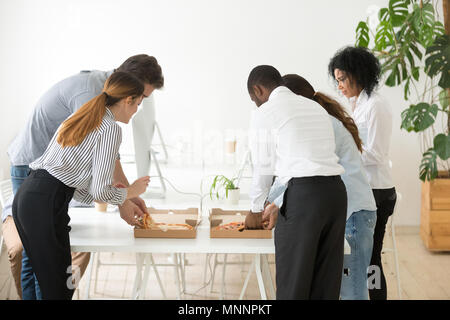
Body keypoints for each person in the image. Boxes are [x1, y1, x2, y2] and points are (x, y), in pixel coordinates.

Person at [4, 54, 164, 299]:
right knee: (59, 290)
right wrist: (131, 191)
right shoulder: (110, 129)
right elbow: (100, 192)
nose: (136, 112)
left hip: (29, 197)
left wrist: (123, 197)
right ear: (128, 100)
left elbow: (73, 182)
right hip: (45, 204)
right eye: (137, 105)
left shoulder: (82, 116)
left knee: (54, 284)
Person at [263, 74, 378, 300]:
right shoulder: (322, 118)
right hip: (347, 209)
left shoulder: (318, 122)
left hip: (354, 214)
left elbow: (296, 169)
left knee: (352, 291)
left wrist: (267, 202)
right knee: (336, 288)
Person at [244, 65, 347, 300]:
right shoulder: (314, 107)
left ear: (258, 90)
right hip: (335, 195)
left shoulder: (266, 112)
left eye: (253, 99)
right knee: (325, 286)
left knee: (293, 285)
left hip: (304, 199)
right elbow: (304, 161)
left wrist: (255, 208)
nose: (256, 104)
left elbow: (263, 166)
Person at [328, 46, 397, 300]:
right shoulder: (357, 105)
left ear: (359, 74)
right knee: (362, 257)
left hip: (377, 191)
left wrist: (343, 158)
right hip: (364, 190)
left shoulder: (376, 106)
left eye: (343, 79)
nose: (340, 87)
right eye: (337, 81)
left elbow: (376, 154)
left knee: (372, 259)